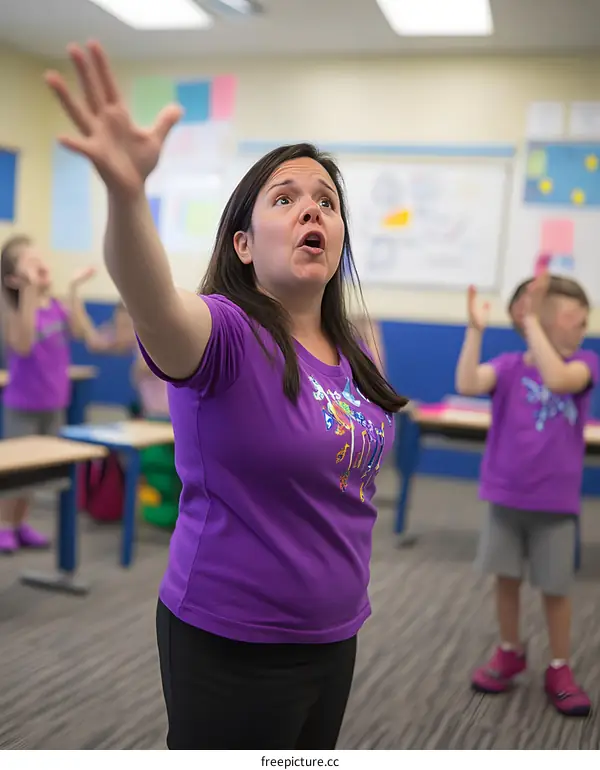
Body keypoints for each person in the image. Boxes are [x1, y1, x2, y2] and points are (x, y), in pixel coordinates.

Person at [45, 41, 407, 749]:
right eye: (287, 199)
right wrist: (126, 196)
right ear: (243, 244)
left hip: (336, 631)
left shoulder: (354, 350)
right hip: (230, 636)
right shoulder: (227, 334)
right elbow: (151, 299)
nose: (313, 210)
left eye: (326, 203)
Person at [455, 274, 598, 717]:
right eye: (577, 318)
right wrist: (475, 331)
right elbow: (467, 383)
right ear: (547, 318)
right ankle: (510, 649)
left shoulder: (585, 364)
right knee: (506, 578)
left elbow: (557, 380)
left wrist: (533, 323)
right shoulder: (508, 367)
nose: (583, 326)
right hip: (505, 497)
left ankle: (559, 666)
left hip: (554, 505)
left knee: (555, 587)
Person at [0, 235, 97, 553]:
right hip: (23, 405)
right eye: (29, 260)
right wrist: (27, 292)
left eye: (38, 256)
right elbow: (23, 345)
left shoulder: (56, 305)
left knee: (37, 472)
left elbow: (83, 334)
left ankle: (20, 524)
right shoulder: (17, 311)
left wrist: (72, 290)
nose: (39, 262)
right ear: (13, 279)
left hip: (54, 402)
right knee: (17, 473)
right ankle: (4, 526)